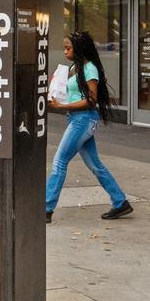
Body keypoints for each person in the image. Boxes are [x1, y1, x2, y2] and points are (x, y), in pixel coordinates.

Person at [44, 30, 132, 223]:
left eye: (68, 48)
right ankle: (120, 202)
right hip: (78, 119)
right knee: (95, 165)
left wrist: (62, 106)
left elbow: (91, 101)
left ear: (79, 48)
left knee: (59, 162)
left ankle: (46, 208)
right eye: (64, 48)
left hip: (82, 120)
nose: (65, 51)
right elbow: (75, 94)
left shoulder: (90, 69)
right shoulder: (76, 67)